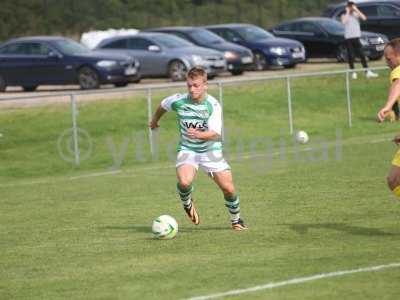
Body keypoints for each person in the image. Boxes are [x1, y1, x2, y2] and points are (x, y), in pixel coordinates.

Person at [149, 66, 247, 231]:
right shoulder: (178, 100)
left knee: (229, 189)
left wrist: (199, 134)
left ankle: (236, 220)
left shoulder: (213, 105)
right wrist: (154, 121)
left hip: (211, 151)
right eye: (189, 85)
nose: (192, 89)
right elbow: (162, 106)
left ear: (205, 85)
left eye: (196, 85)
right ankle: (187, 202)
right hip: (188, 149)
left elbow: (216, 134)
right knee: (184, 182)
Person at [377, 38, 400, 197]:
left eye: (389, 58)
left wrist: (388, 105)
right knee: (393, 180)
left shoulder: (398, 70)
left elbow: (398, 84)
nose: (387, 62)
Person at [341, 1, 378, 80]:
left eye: (352, 6)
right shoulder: (344, 15)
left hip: (356, 37)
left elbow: (364, 18)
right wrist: (347, 12)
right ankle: (353, 72)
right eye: (350, 6)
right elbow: (344, 22)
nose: (351, 7)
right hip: (348, 38)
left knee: (362, 54)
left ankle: (367, 72)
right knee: (351, 56)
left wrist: (356, 9)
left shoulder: (356, 14)